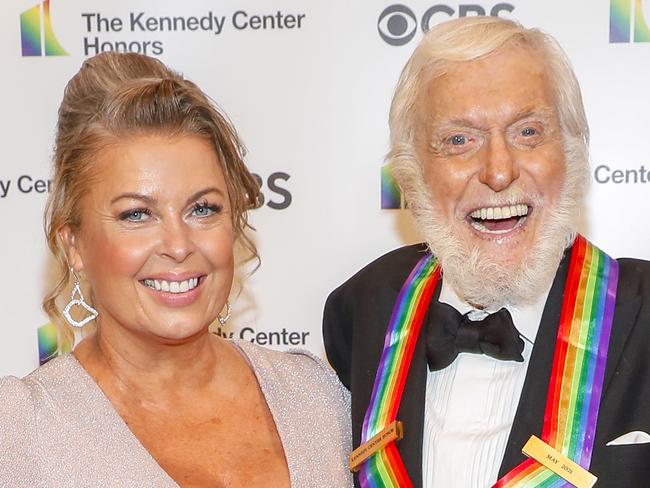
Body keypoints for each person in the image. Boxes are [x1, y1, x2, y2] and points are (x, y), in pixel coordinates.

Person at [323, 16, 650, 488]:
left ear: (573, 154)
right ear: (411, 174)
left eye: (528, 132)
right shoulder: (363, 309)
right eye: (459, 140)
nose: (498, 172)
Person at [0, 51, 352, 488]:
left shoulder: (318, 398)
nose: (179, 245)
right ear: (74, 244)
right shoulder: (19, 433)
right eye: (136, 215)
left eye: (202, 209)